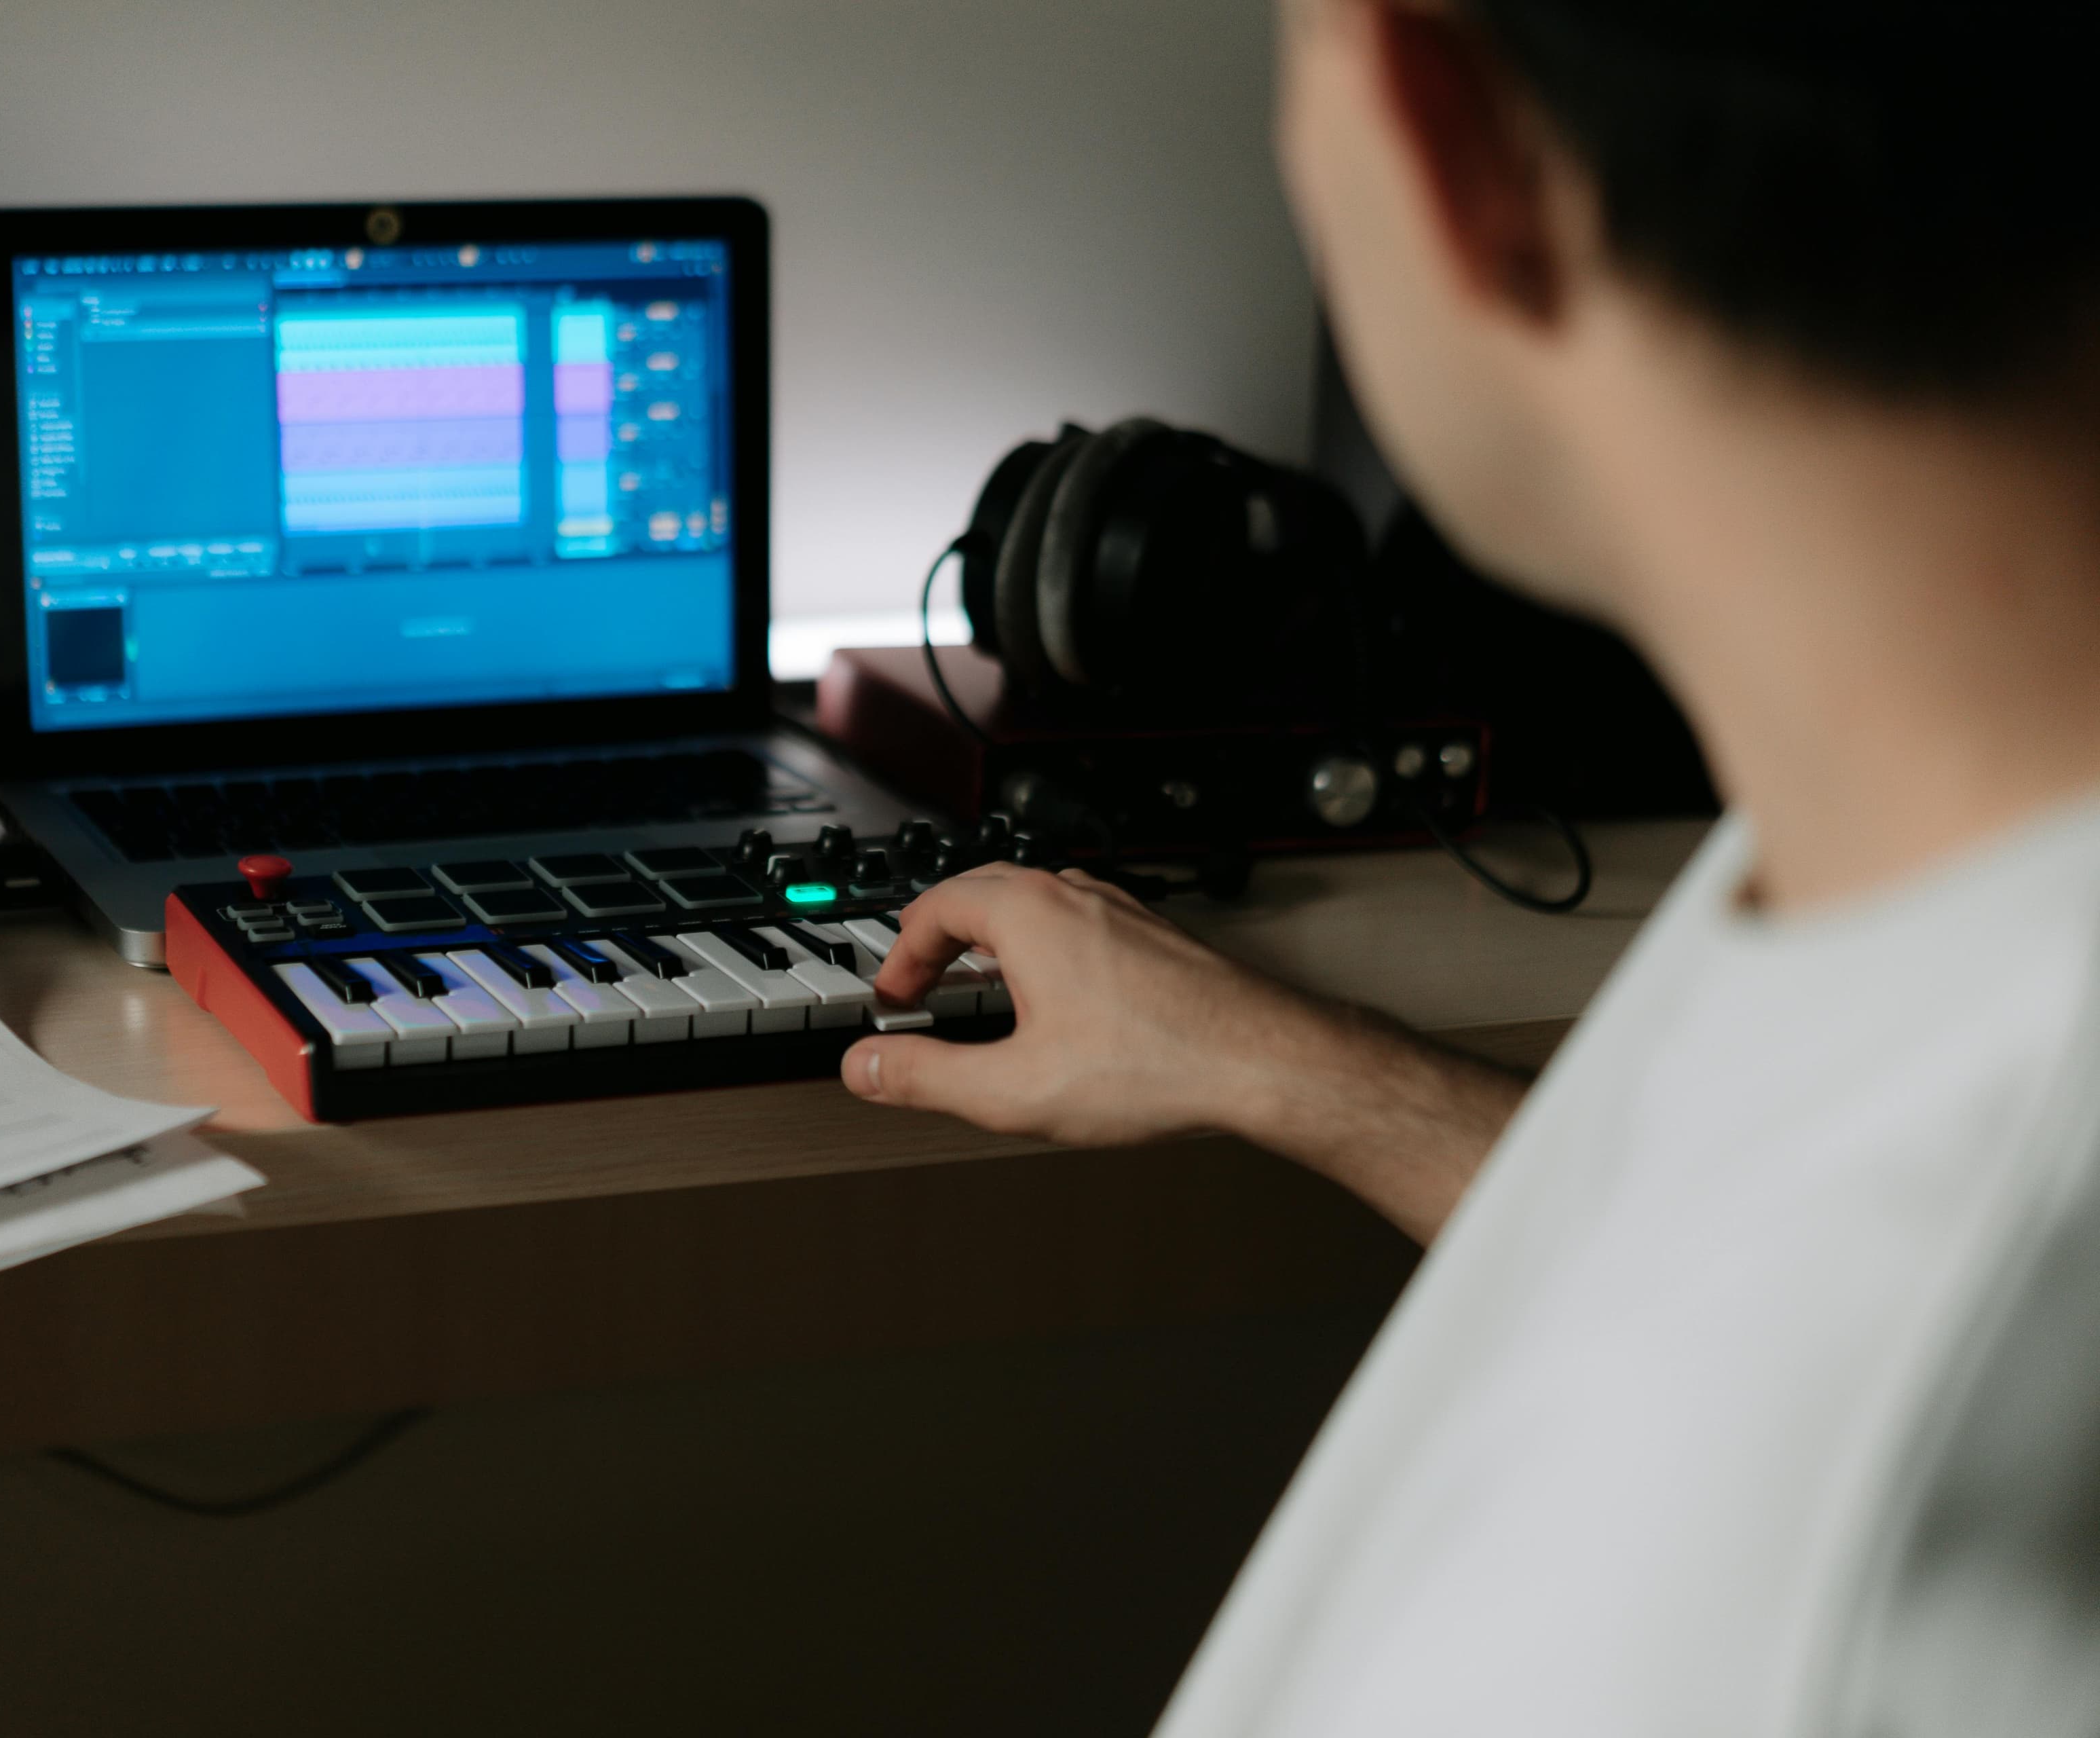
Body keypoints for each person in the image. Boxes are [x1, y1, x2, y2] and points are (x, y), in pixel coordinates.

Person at [842, 0, 2100, 1730]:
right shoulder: (1914, 804)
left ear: (1458, 146)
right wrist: (1289, 1066)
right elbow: (1721, 1246)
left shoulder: (1785, 1604)